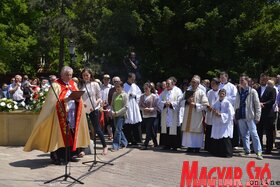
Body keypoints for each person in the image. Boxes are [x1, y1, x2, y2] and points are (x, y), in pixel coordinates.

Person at [24, 66, 90, 165]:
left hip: (73, 113)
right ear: (62, 75)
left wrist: (77, 100)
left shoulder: (73, 84)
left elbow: (79, 98)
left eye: (70, 75)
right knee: (59, 136)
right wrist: (66, 100)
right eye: (67, 75)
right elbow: (52, 102)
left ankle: (70, 155)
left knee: (71, 133)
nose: (69, 77)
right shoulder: (56, 85)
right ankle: (58, 157)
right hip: (59, 116)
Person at [79, 68, 108, 155]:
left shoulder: (95, 84)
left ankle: (104, 146)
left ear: (90, 75)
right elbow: (79, 97)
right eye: (84, 75)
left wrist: (95, 103)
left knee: (97, 129)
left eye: (87, 75)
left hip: (94, 108)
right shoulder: (81, 85)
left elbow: (99, 97)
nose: (85, 77)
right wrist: (82, 103)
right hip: (84, 109)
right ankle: (84, 149)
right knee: (84, 130)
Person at [235, 74, 263, 160]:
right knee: (244, 135)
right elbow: (236, 104)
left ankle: (259, 152)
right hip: (241, 116)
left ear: (247, 81)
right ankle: (247, 151)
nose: (241, 82)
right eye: (240, 80)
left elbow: (257, 105)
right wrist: (235, 115)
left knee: (254, 134)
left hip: (250, 116)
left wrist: (258, 116)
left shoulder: (252, 91)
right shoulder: (239, 91)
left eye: (242, 80)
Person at [181, 76, 209, 153]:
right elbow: (180, 102)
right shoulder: (187, 91)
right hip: (188, 114)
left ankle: (196, 147)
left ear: (198, 83)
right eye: (192, 82)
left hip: (197, 115)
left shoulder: (201, 92)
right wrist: (186, 102)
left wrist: (196, 105)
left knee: (196, 131)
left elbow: (206, 104)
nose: (192, 84)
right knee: (189, 131)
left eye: (194, 82)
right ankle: (189, 146)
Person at [158, 78, 182, 150]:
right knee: (166, 128)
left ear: (173, 84)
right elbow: (159, 101)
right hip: (166, 112)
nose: (167, 85)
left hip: (173, 113)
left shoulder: (178, 91)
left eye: (168, 84)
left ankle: (175, 145)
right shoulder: (164, 92)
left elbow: (179, 101)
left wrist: (171, 104)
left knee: (174, 128)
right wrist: (165, 103)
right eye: (166, 84)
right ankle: (166, 145)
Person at [210, 89, 235, 157]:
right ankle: (216, 152)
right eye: (220, 93)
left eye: (223, 94)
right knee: (217, 136)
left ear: (225, 95)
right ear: (218, 94)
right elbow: (213, 110)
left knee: (224, 137)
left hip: (225, 123)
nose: (221, 95)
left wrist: (221, 115)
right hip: (217, 122)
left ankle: (226, 153)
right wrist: (214, 112)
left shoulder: (227, 103)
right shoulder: (216, 103)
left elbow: (231, 114)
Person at [256, 73, 276, 154]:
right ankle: (259, 148)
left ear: (267, 80)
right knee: (259, 131)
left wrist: (263, 104)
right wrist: (258, 104)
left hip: (268, 113)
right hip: (259, 113)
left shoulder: (272, 89)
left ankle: (268, 148)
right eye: (261, 79)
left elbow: (272, 100)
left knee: (269, 132)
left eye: (264, 79)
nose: (262, 81)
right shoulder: (257, 90)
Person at [219, 71, 239, 148]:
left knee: (230, 126)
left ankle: (233, 143)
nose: (222, 79)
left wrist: (225, 99)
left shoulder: (232, 86)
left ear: (227, 77)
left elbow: (235, 97)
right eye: (220, 77)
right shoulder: (219, 85)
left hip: (228, 108)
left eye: (223, 77)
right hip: (219, 108)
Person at [123, 73, 142, 146]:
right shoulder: (124, 86)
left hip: (134, 106)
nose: (133, 80)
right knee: (127, 123)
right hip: (127, 106)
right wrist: (128, 95)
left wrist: (134, 95)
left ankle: (136, 140)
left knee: (135, 122)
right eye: (132, 79)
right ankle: (128, 140)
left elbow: (139, 94)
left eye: (134, 79)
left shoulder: (135, 86)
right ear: (128, 78)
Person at [139, 82, 159, 150]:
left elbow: (157, 106)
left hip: (152, 115)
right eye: (144, 89)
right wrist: (143, 109)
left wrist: (151, 109)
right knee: (151, 129)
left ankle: (146, 144)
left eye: (146, 88)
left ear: (150, 88)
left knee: (148, 129)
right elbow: (139, 105)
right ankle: (155, 143)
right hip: (145, 115)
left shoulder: (154, 96)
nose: (145, 90)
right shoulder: (142, 96)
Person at [110, 81, 129, 151]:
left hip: (121, 115)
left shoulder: (125, 95)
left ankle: (115, 146)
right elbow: (112, 105)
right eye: (116, 86)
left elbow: (126, 107)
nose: (117, 88)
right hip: (115, 115)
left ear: (122, 87)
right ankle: (124, 142)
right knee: (119, 130)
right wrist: (112, 111)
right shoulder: (114, 94)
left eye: (118, 86)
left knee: (117, 130)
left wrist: (117, 112)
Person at [204, 78, 220, 152]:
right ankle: (208, 147)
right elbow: (206, 101)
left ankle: (215, 147)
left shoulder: (220, 92)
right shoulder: (209, 92)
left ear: (217, 84)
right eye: (211, 83)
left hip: (216, 113)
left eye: (214, 83)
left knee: (216, 131)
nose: (212, 85)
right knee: (209, 130)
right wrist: (208, 106)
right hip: (210, 113)